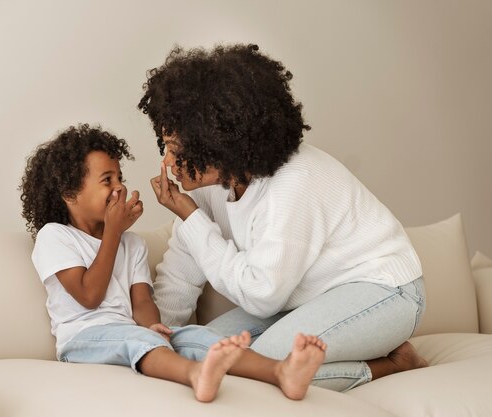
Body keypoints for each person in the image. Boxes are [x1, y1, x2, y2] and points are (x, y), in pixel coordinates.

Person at [138, 44, 428, 392]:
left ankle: (393, 364)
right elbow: (180, 280)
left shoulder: (294, 181)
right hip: (305, 299)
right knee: (197, 351)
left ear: (219, 144)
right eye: (164, 146)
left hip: (384, 290)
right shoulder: (207, 187)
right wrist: (150, 343)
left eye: (177, 150)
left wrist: (191, 217)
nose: (168, 162)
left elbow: (263, 295)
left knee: (250, 371)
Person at [19, 123, 327, 402]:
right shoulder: (55, 237)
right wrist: (113, 232)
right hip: (83, 341)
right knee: (136, 338)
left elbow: (141, 301)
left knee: (196, 335)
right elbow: (89, 295)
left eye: (120, 178)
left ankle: (281, 371)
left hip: (130, 334)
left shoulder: (132, 244)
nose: (119, 188)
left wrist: (156, 327)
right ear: (69, 195)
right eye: (106, 180)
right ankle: (194, 374)